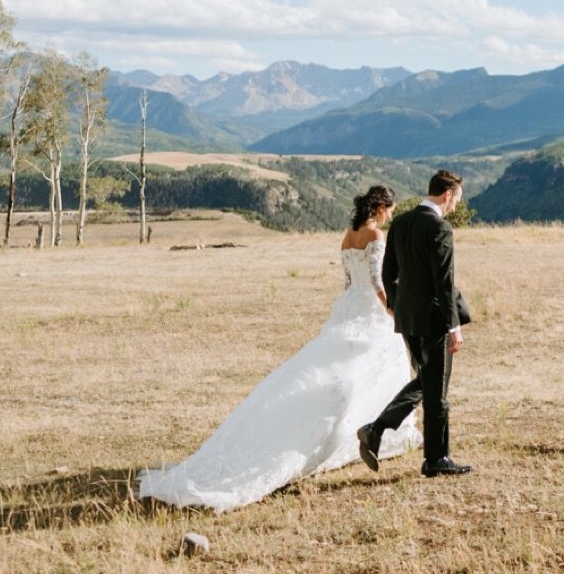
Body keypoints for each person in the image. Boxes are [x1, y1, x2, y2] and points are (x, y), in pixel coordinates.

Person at [136, 186, 421, 511]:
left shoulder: (347, 235)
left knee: (343, 369)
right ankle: (381, 430)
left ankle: (369, 426)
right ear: (381, 207)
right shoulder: (376, 235)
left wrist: (348, 306)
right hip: (369, 310)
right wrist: (392, 310)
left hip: (349, 307)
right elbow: (376, 281)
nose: (391, 215)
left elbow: (347, 281)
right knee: (379, 363)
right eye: (391, 209)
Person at [358, 169, 473, 477]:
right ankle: (436, 459)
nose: (455, 207)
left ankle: (377, 429)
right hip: (434, 320)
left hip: (407, 319)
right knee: (437, 391)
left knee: (426, 381)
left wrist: (396, 306)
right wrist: (454, 326)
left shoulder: (401, 222)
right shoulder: (440, 228)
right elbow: (444, 283)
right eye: (456, 200)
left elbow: (387, 273)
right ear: (447, 194)